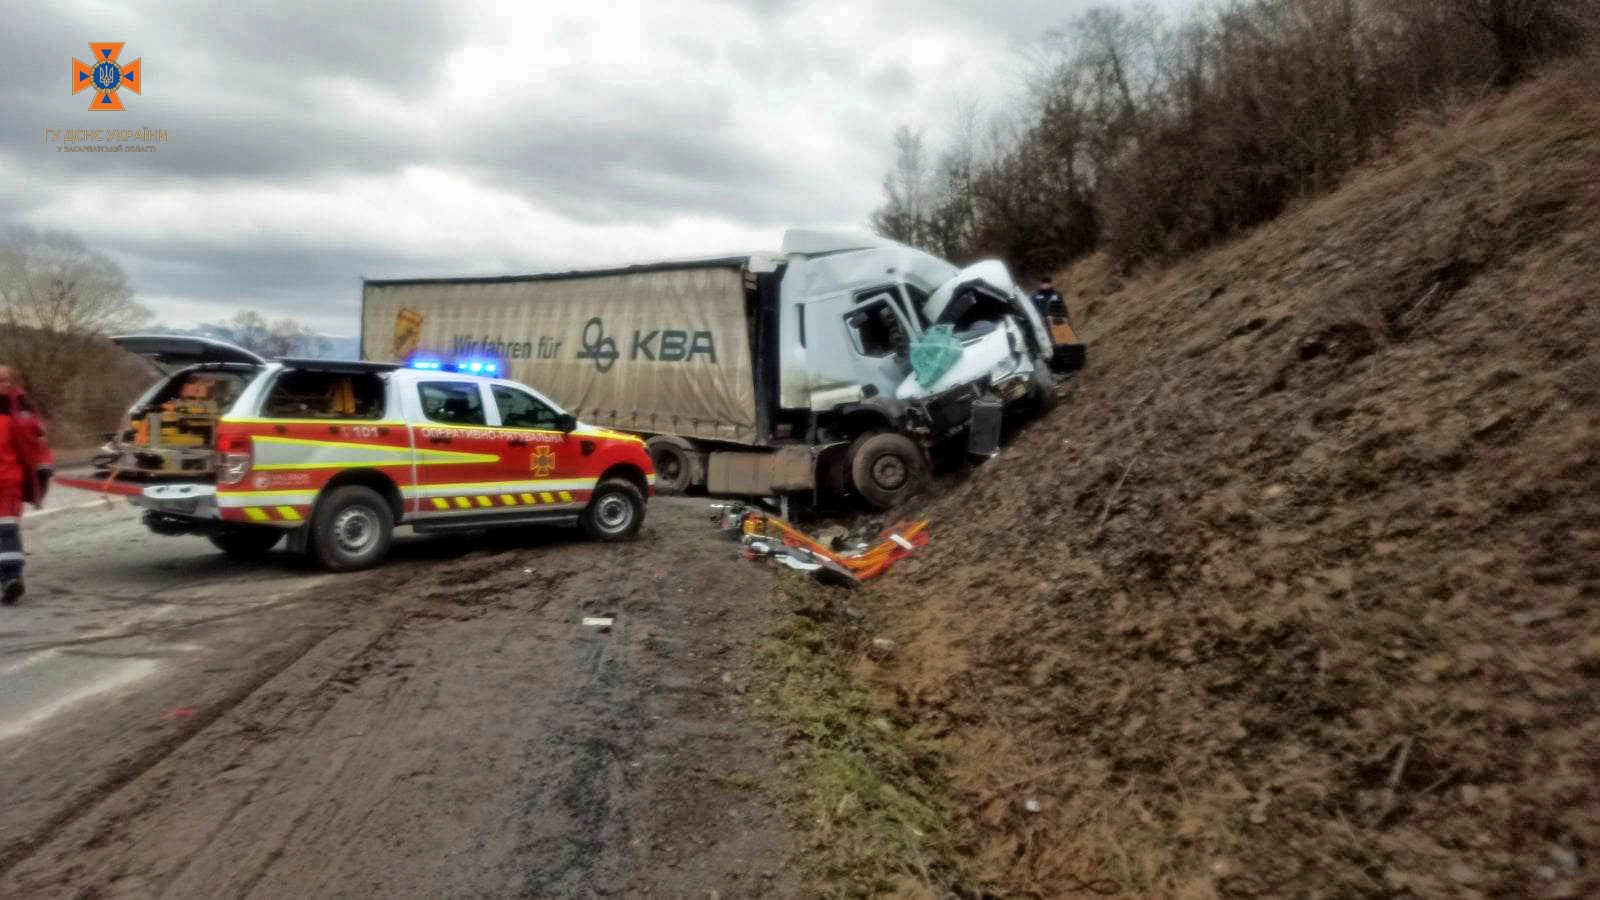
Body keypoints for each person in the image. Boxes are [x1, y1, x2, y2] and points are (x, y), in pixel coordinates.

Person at [0, 366, 53, 605]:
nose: (4, 384)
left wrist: (43, 467)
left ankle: (12, 578)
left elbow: (38, 441)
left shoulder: (22, 411)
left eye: (6, 380)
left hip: (8, 480)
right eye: (0, 380)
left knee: (6, 529)